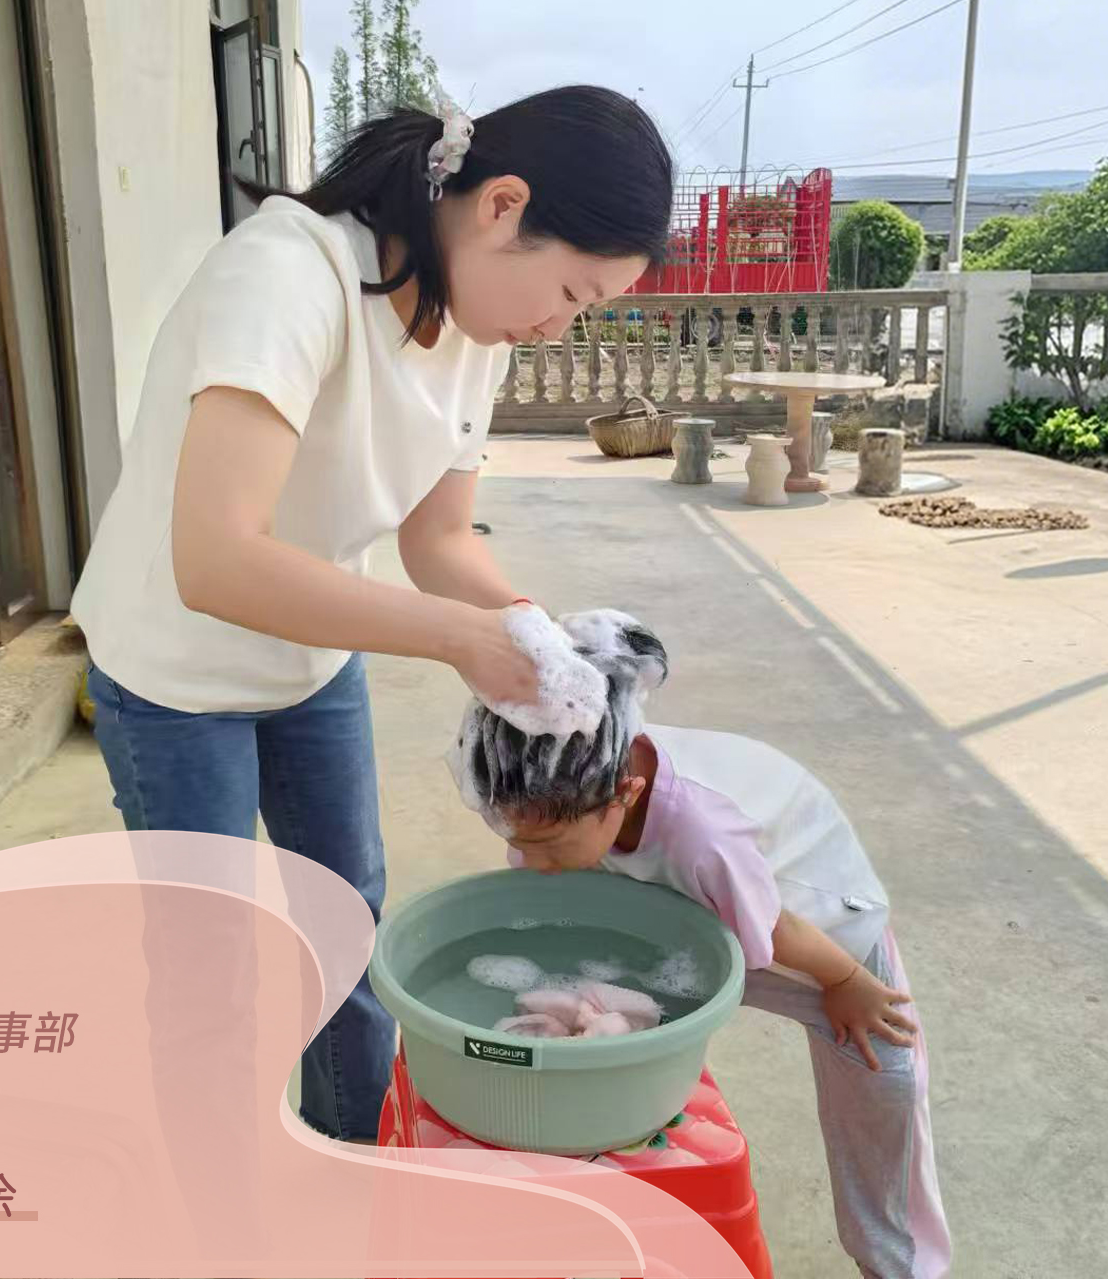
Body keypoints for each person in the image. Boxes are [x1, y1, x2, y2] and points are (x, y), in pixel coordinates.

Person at [70, 87, 675, 1145]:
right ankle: (224, 1206)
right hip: (174, 674)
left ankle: (352, 1167)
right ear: (501, 205)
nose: (558, 325)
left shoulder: (477, 327)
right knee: (213, 968)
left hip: (311, 654)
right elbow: (215, 560)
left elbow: (438, 541)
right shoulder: (286, 275)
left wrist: (533, 630)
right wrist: (459, 639)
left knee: (345, 927)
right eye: (571, 292)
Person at [448, 609, 951, 1279]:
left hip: (817, 924)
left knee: (884, 1073)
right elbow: (562, 875)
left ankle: (899, 1263)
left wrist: (847, 982)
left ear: (623, 796)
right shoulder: (563, 777)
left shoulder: (702, 834)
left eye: (547, 845)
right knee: (604, 999)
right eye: (514, 838)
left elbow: (776, 929)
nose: (528, 861)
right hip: (690, 901)